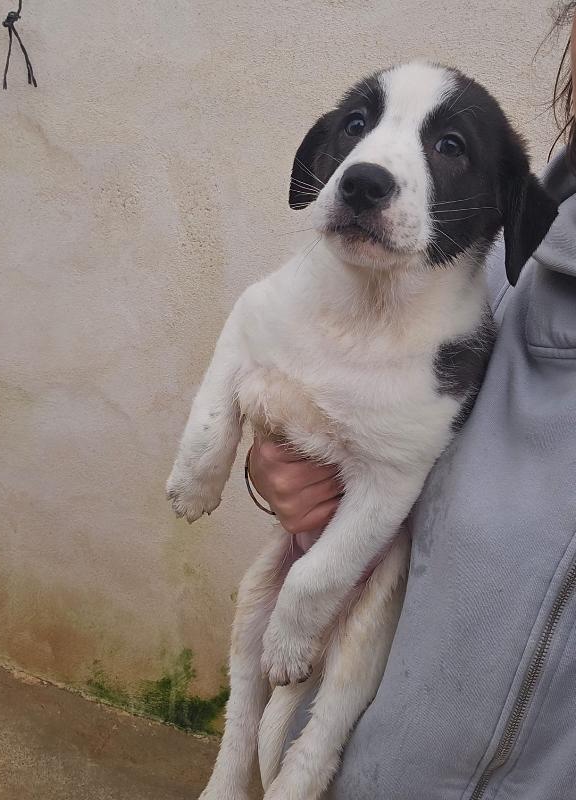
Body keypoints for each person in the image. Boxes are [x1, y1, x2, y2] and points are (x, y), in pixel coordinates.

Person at [246, 5, 576, 798]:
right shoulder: (497, 234)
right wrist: (284, 469)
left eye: (446, 144)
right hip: (343, 761)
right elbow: (389, 471)